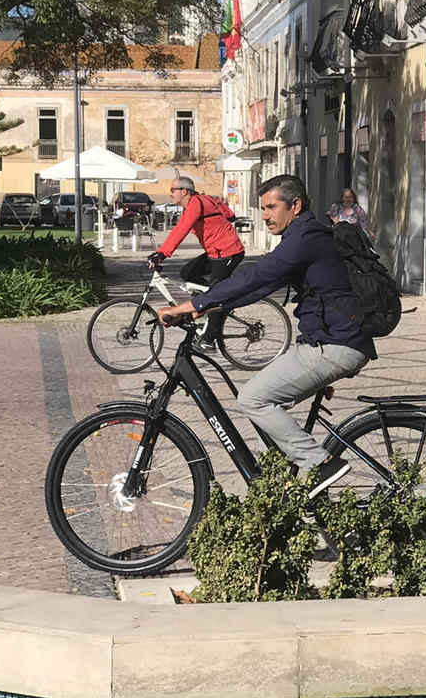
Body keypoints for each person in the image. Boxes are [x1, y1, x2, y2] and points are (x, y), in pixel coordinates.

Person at [163, 174, 376, 497]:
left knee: (253, 399)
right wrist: (208, 309)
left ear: (295, 206)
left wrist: (196, 302)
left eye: (271, 207)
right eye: (262, 208)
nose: (264, 215)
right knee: (267, 399)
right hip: (328, 340)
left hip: (334, 345)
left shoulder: (305, 238)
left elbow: (258, 274)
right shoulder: (302, 236)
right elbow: (263, 286)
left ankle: (319, 463)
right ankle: (289, 491)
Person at [148, 177, 245, 351]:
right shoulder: (202, 200)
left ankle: (209, 339)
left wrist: (162, 254)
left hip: (228, 252)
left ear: (184, 191)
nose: (170, 193)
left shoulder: (195, 204)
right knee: (188, 273)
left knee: (216, 296)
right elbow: (229, 215)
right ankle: (205, 304)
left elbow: (181, 230)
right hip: (215, 252)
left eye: (173, 190)